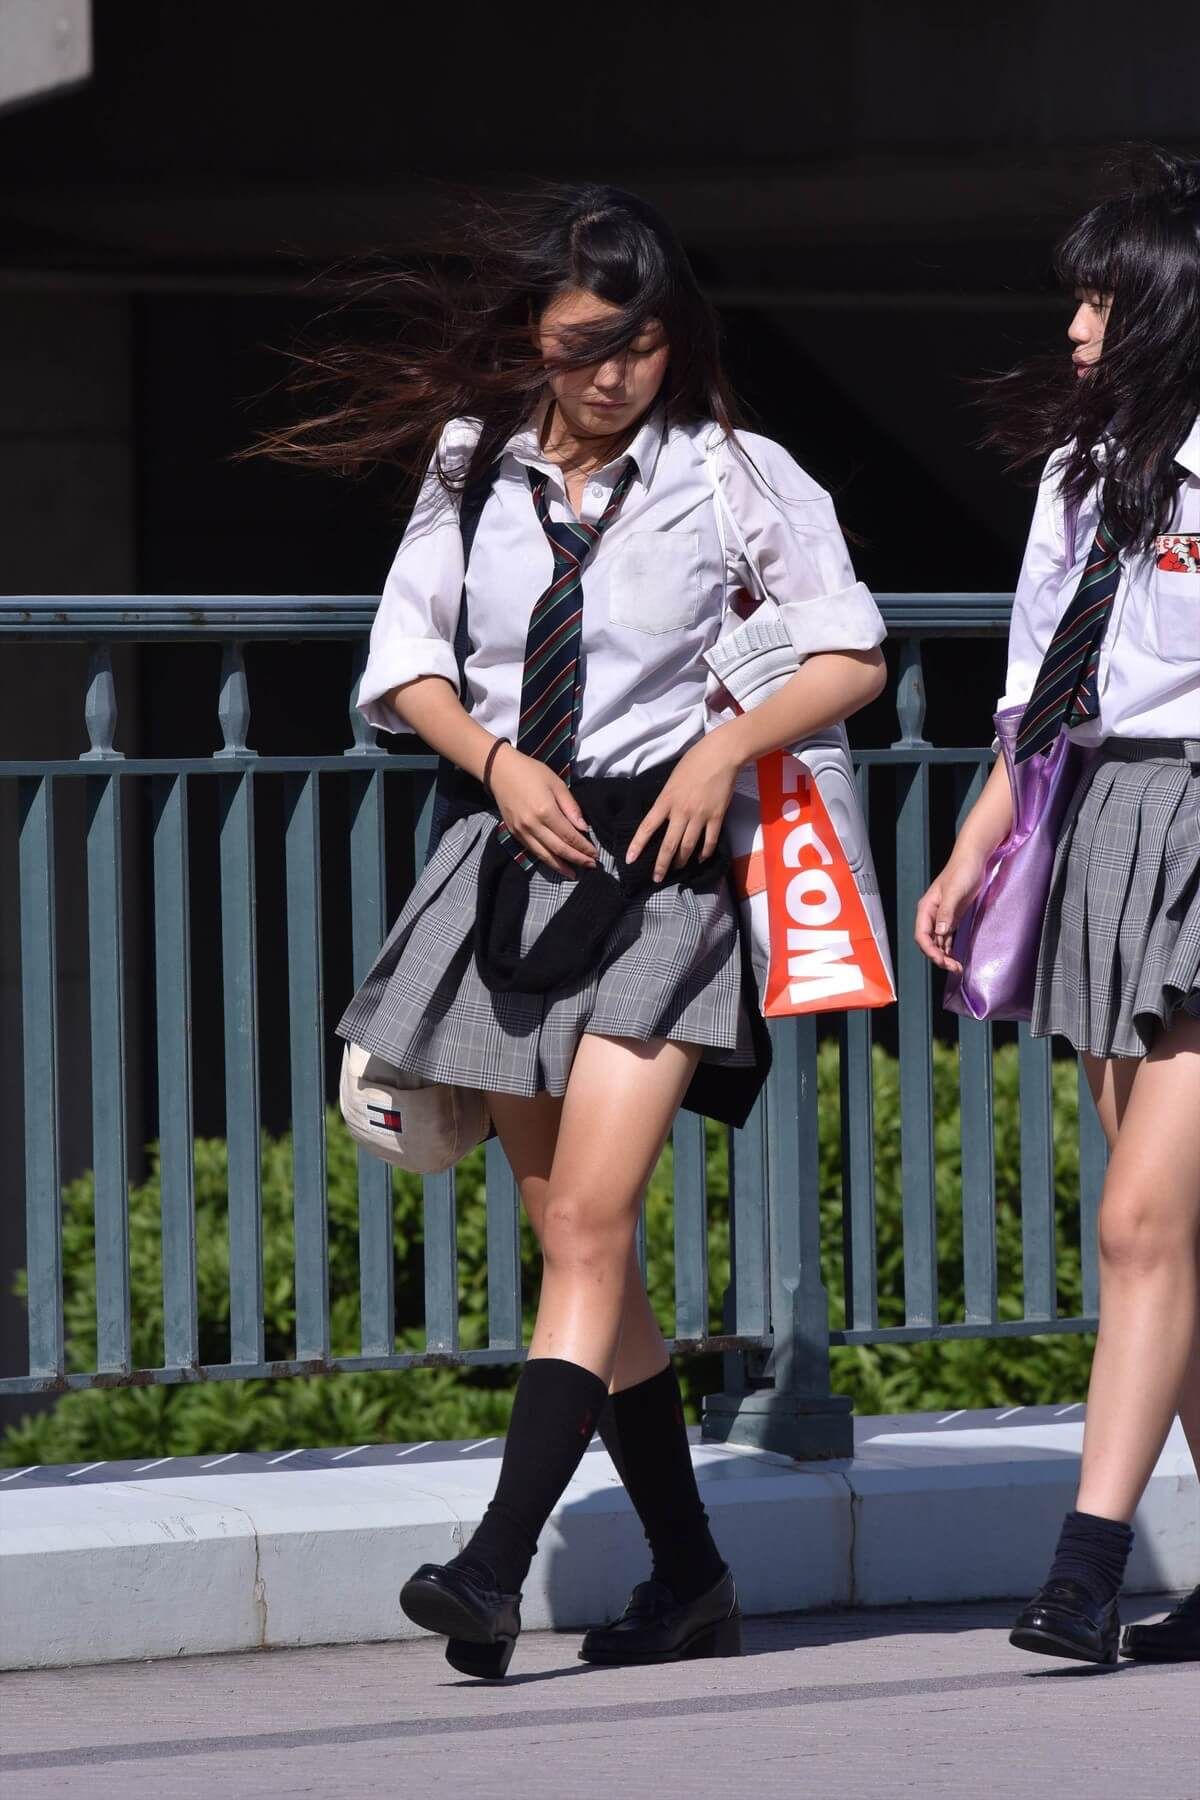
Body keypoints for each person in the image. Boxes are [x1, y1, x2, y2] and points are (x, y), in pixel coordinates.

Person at [267, 184, 886, 1678]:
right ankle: (692, 1577)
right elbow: (405, 664)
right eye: (585, 343)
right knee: (573, 1241)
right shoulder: (470, 466)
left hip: (667, 874)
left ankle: (491, 1569)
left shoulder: (733, 473)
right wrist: (493, 764)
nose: (616, 374)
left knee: (594, 1224)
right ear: (532, 336)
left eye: (643, 343)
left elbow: (852, 651)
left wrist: (721, 753)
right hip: (517, 858)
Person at [916, 149, 1200, 1667]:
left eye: (1102, 299)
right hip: (1101, 827)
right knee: (1176, 1241)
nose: (1077, 327)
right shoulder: (1081, 472)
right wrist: (978, 843)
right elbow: (1040, 692)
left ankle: (1084, 1572)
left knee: (1142, 1219)